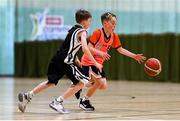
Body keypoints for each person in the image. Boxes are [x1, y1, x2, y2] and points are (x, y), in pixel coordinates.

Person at [18, 9, 103, 114]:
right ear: (84, 21)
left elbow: (69, 47)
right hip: (66, 61)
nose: (90, 23)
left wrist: (77, 61)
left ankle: (28, 95)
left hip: (58, 58)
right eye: (90, 21)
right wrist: (95, 63)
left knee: (51, 82)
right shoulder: (83, 32)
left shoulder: (72, 30)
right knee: (81, 83)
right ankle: (57, 102)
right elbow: (85, 49)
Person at [76, 12, 146, 111]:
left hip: (99, 64)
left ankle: (85, 84)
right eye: (112, 23)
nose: (114, 25)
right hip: (89, 61)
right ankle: (84, 97)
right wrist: (101, 53)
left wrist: (134, 56)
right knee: (99, 82)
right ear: (105, 23)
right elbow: (88, 48)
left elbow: (120, 49)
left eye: (115, 23)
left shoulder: (114, 36)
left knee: (103, 86)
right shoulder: (98, 33)